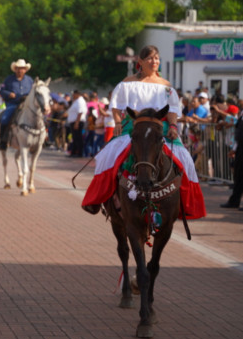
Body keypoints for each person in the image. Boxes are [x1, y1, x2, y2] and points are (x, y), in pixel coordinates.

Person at [82, 45, 206, 219]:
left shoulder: (166, 85)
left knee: (186, 160)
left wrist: (172, 127)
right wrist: (118, 122)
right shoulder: (128, 82)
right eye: (149, 58)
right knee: (107, 156)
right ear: (140, 61)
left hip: (159, 127)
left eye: (156, 58)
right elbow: (116, 105)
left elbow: (172, 110)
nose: (154, 61)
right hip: (133, 125)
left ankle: (185, 205)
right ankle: (98, 200)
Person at [0, 59, 34, 150]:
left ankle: (42, 139)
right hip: (12, 104)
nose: (20, 70)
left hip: (27, 105)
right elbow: (2, 91)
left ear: (25, 69)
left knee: (39, 117)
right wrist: (9, 94)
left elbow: (33, 92)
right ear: (15, 69)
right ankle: (3, 141)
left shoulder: (29, 80)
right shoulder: (9, 79)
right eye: (18, 68)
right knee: (5, 118)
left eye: (22, 68)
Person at [220, 101, 243, 210]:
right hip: (240, 148)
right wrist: (234, 149)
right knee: (238, 176)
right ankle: (234, 201)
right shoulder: (241, 114)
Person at [67, 90, 87, 157]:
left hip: (78, 121)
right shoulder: (76, 101)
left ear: (77, 94)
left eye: (73, 94)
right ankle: (74, 152)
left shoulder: (80, 101)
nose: (72, 96)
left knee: (78, 138)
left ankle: (79, 153)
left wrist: (77, 123)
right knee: (75, 138)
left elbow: (80, 112)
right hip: (75, 121)